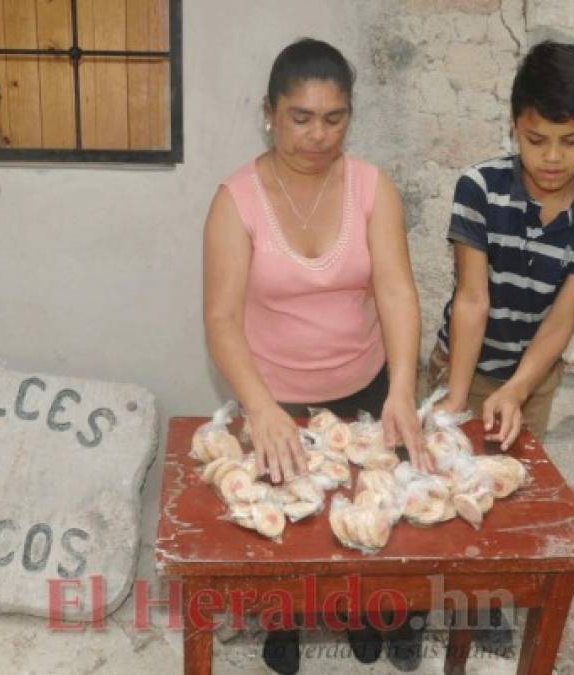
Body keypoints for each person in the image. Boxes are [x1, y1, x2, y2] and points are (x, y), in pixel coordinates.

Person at [202, 38, 427, 674]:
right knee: (288, 522)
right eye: (301, 117)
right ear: (269, 112)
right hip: (276, 397)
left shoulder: (371, 190)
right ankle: (286, 623)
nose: (317, 136)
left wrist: (403, 390)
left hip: (366, 385)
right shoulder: (236, 201)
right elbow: (220, 320)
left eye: (334, 118)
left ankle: (360, 610)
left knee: (371, 508)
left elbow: (396, 291)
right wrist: (260, 408)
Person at [429, 40, 574, 650]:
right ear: (515, 123)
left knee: (498, 497)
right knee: (430, 483)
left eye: (572, 142)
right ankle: (410, 604)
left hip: (530, 380)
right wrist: (455, 398)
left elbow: (561, 322)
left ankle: (484, 604)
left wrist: (515, 391)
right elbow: (471, 298)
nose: (552, 157)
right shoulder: (479, 188)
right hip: (457, 363)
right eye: (536, 139)